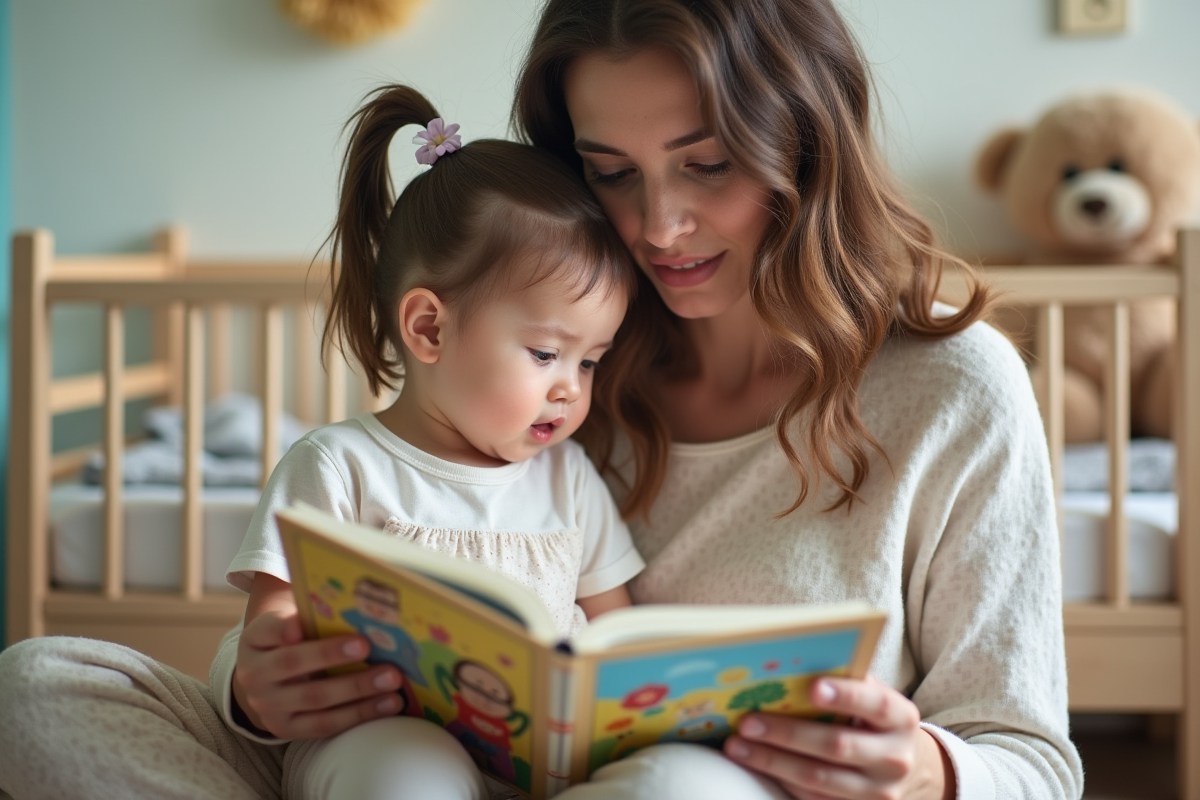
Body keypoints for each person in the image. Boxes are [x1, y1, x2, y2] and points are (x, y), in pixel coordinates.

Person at [0, 2, 1084, 799]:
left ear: (804, 144)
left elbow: (1032, 756)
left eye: (706, 164)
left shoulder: (953, 391)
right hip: (416, 764)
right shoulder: (550, 362)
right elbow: (335, 581)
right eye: (612, 172)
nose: (658, 226)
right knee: (40, 682)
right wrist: (257, 686)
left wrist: (932, 770)